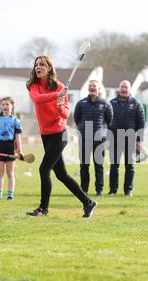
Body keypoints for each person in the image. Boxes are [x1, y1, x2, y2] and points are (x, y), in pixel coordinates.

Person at [26, 55, 97, 218]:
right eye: (37, 64)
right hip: (46, 135)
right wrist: (56, 96)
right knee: (61, 175)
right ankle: (88, 202)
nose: (38, 67)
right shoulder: (33, 86)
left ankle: (43, 209)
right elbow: (37, 99)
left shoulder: (59, 87)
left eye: (42, 64)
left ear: (49, 68)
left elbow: (65, 114)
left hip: (60, 134)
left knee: (44, 169)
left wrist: (59, 106)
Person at [74, 80, 113, 196]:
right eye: (90, 86)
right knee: (84, 165)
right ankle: (84, 189)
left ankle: (99, 190)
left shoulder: (105, 104)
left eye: (94, 86)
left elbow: (109, 121)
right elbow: (77, 119)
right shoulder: (81, 103)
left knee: (99, 165)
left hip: (99, 139)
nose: (92, 87)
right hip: (84, 138)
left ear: (99, 89)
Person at [108, 80, 145, 197]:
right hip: (114, 138)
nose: (124, 89)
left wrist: (139, 141)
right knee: (114, 166)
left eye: (126, 87)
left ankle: (128, 191)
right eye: (122, 87)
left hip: (131, 139)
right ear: (119, 89)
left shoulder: (136, 104)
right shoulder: (111, 103)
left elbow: (141, 124)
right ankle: (113, 190)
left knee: (130, 166)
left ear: (130, 89)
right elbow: (107, 122)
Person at [0, 97, 23, 200]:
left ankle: (10, 195)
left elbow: (18, 137)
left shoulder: (15, 120)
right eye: (3, 104)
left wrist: (20, 150)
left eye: (7, 104)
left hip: (10, 147)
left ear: (12, 106)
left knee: (10, 173)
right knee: (0, 173)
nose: (5, 106)